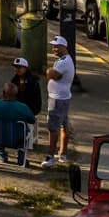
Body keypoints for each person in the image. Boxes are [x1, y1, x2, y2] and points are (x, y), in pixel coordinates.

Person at [0, 83, 37, 166]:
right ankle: (22, 157)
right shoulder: (23, 107)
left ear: (3, 93)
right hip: (17, 140)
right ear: (16, 94)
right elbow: (32, 120)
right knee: (28, 128)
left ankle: (1, 155)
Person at [43, 35, 75, 168]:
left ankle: (50, 157)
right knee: (63, 125)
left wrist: (49, 71)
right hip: (61, 97)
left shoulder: (63, 62)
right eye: (53, 46)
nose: (53, 48)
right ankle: (62, 154)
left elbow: (53, 74)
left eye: (56, 46)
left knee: (53, 127)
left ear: (63, 47)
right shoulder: (64, 60)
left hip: (57, 99)